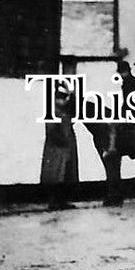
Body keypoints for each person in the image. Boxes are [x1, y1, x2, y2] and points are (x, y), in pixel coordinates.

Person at [41, 80, 79, 210]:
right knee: (56, 176)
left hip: (66, 148)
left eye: (64, 98)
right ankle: (53, 202)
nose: (63, 101)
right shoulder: (53, 112)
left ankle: (62, 201)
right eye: (60, 98)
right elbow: (51, 132)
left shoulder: (64, 112)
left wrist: (71, 93)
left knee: (66, 175)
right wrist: (63, 141)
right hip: (56, 149)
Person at [108, 60, 135, 154]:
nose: (120, 75)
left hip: (133, 111)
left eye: (121, 73)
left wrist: (121, 111)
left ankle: (112, 148)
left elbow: (128, 101)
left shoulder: (127, 83)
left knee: (113, 124)